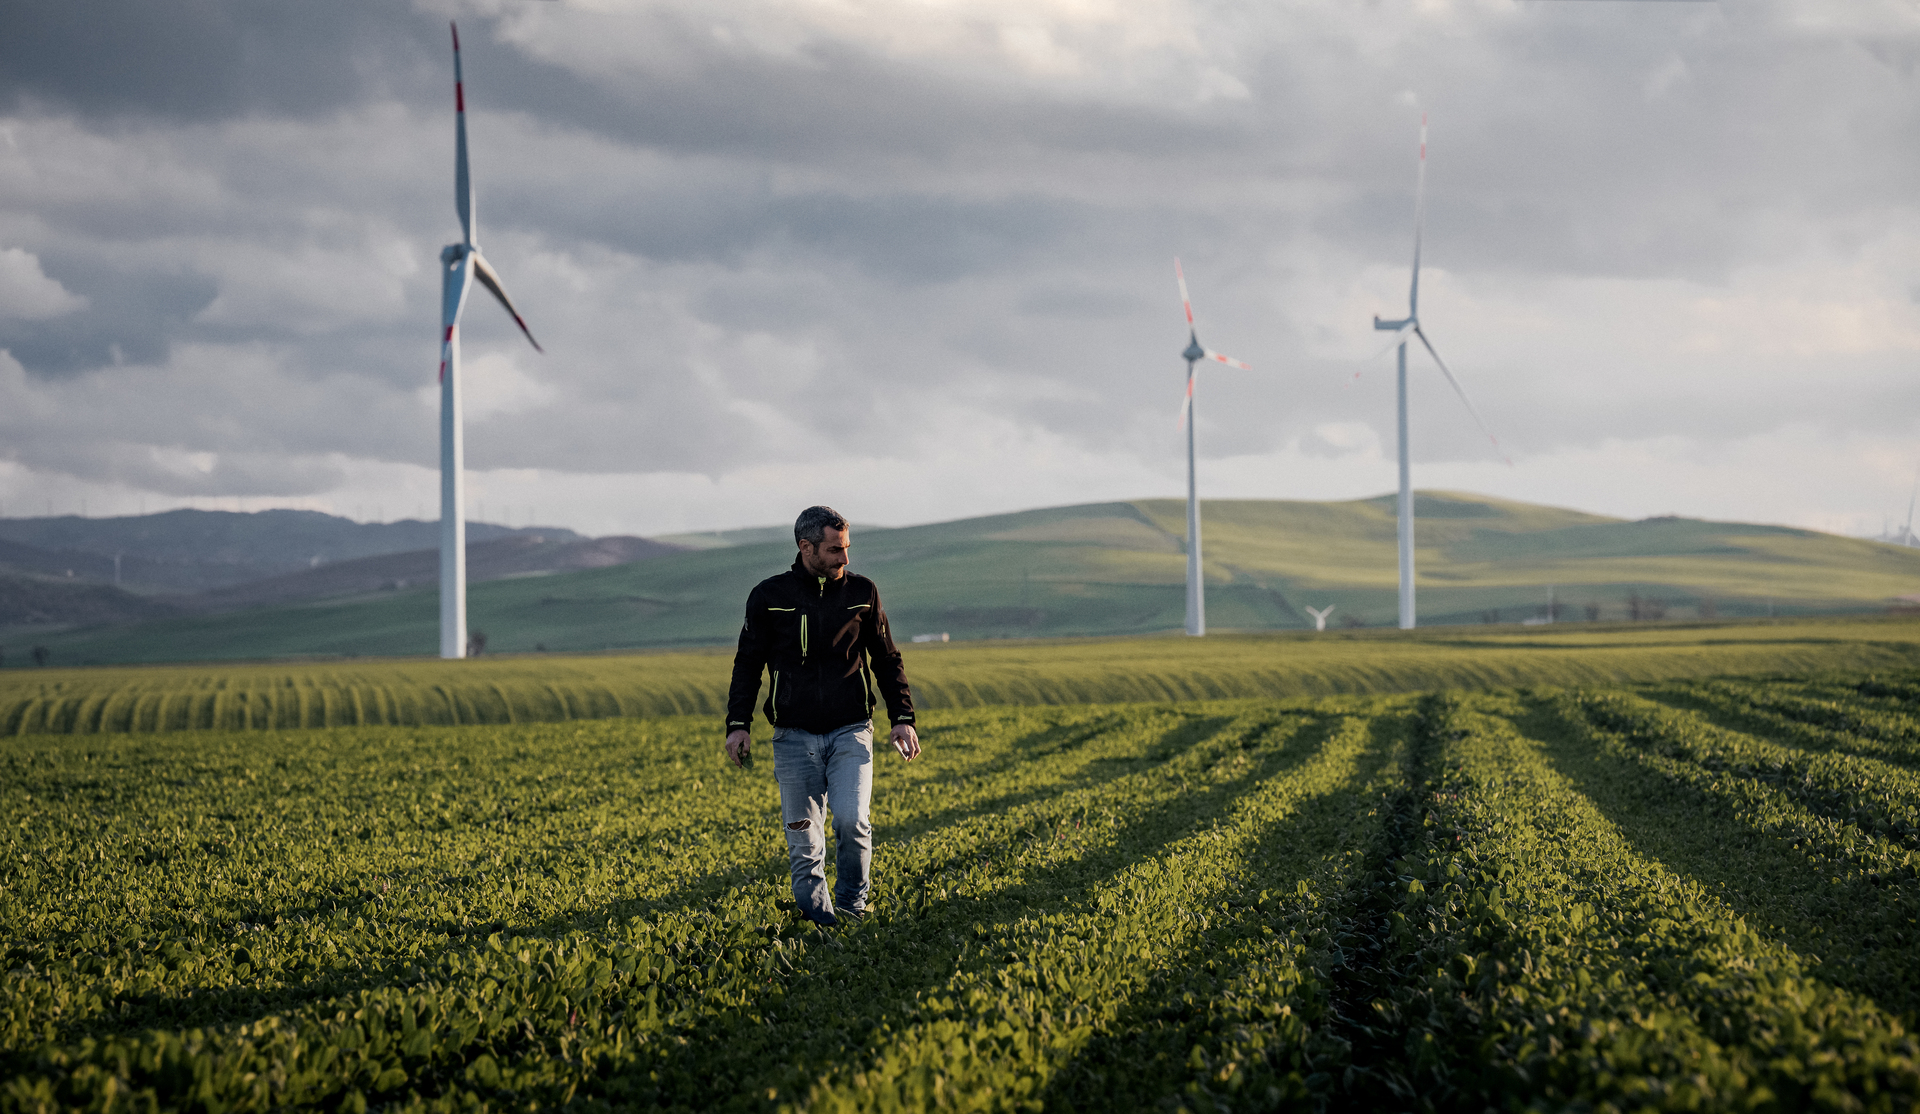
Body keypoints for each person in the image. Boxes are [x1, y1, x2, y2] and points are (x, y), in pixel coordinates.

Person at [724, 505, 920, 926]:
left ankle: (852, 908)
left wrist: (902, 716)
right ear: (806, 546)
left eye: (847, 548)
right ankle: (821, 923)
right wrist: (738, 725)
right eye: (835, 550)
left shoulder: (862, 592)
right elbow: (747, 665)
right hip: (792, 737)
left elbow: (886, 659)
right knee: (803, 839)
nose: (844, 559)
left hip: (851, 731)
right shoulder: (768, 596)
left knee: (852, 821)